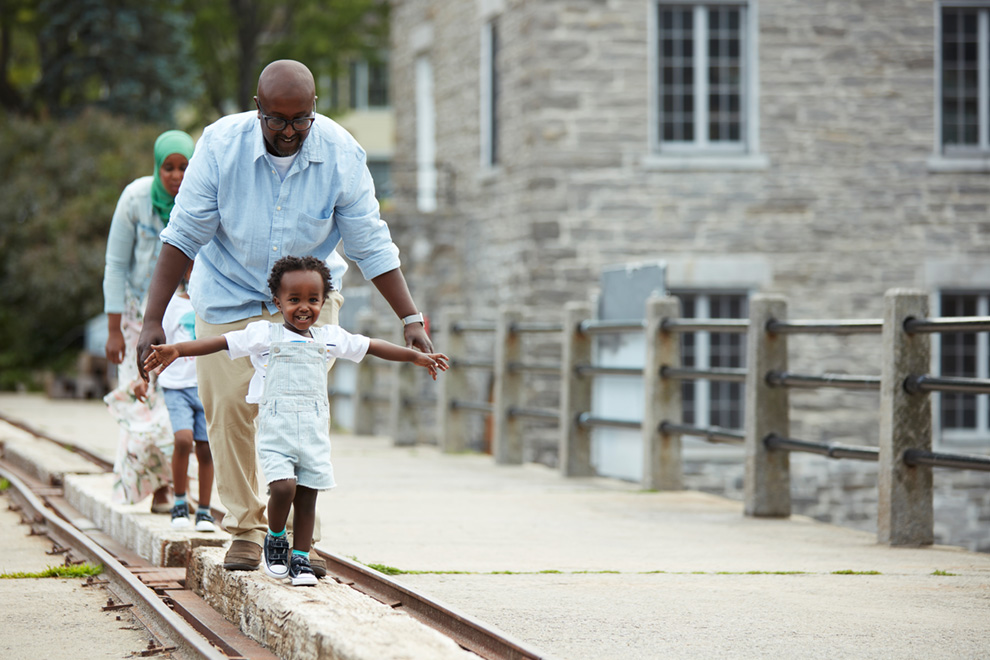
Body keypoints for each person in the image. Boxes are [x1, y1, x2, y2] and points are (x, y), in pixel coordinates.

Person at [137, 60, 434, 577]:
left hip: (305, 303)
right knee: (229, 410)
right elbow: (182, 235)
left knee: (296, 415)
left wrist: (410, 318)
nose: (290, 131)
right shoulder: (220, 146)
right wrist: (151, 320)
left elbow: (370, 242)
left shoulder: (340, 151)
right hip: (228, 294)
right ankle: (249, 529)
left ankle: (301, 541)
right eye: (278, 120)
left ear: (314, 109)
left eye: (301, 119)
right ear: (259, 110)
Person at [144, 256, 448, 585]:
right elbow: (221, 342)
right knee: (283, 486)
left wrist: (416, 356)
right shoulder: (265, 334)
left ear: (323, 301)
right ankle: (275, 536)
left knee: (307, 494)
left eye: (313, 300)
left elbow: (371, 346)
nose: (304, 308)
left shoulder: (329, 337)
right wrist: (177, 349)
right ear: (277, 302)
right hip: (277, 432)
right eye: (294, 300)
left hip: (313, 432)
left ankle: (300, 557)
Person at [103, 129, 195, 510]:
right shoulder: (135, 200)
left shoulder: (199, 198)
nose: (175, 176)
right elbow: (115, 265)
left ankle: (175, 489)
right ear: (157, 168)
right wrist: (113, 331)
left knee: (178, 398)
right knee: (145, 401)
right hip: (135, 315)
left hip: (181, 315)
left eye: (183, 167)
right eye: (168, 167)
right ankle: (158, 489)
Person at [158, 261, 216, 531]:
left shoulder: (215, 307)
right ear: (188, 272)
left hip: (206, 387)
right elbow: (160, 343)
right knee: (183, 440)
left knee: (206, 449)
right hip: (177, 386)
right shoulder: (174, 306)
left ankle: (204, 510)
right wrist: (141, 378)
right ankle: (179, 502)